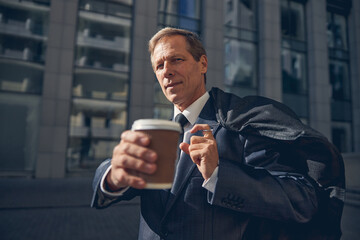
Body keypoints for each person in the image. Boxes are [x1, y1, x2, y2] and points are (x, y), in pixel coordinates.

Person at [91, 27, 345, 239]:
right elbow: (107, 187)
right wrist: (114, 175)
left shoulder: (243, 123)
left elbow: (302, 201)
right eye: (159, 65)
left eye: (176, 59)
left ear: (203, 63)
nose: (166, 70)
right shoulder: (156, 134)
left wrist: (219, 175)